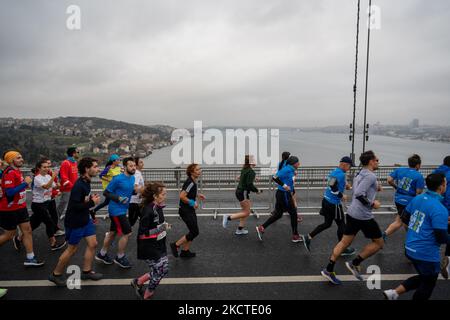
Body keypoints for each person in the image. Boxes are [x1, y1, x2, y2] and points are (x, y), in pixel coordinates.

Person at [321, 150, 384, 285]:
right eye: (377, 160)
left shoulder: (359, 173)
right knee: (379, 243)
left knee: (344, 242)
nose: (378, 162)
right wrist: (373, 203)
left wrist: (375, 188)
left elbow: (357, 189)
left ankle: (328, 269)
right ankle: (355, 263)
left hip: (352, 213)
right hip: (363, 216)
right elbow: (359, 194)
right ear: (371, 161)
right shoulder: (370, 176)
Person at [383, 173, 449, 300]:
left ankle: (394, 293)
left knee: (425, 277)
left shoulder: (417, 198)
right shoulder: (440, 208)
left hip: (409, 248)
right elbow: (441, 237)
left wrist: (430, 224)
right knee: (428, 283)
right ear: (441, 187)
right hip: (426, 254)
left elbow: (405, 218)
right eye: (445, 183)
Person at [48, 157, 102, 286]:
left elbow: (83, 202)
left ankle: (86, 271)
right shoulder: (79, 185)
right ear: (86, 169)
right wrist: (91, 203)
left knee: (93, 244)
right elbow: (75, 206)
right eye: (95, 167)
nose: (97, 169)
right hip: (75, 221)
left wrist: (91, 212)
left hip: (85, 219)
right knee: (72, 249)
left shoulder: (86, 182)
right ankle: (55, 275)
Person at [302, 156, 356, 256]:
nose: (350, 168)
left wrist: (346, 185)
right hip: (334, 204)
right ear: (344, 164)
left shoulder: (335, 171)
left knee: (327, 223)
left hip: (326, 200)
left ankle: (308, 237)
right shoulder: (340, 174)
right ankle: (342, 249)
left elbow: (333, 182)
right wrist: (341, 195)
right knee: (342, 225)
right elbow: (332, 186)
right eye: (349, 166)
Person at [0, 150, 44, 267]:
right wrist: (25, 184)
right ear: (11, 160)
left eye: (21, 157)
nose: (22, 159)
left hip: (20, 207)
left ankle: (30, 258)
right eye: (18, 158)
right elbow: (9, 192)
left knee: (27, 230)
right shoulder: (9, 172)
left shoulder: (17, 171)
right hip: (9, 209)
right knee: (9, 235)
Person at [95, 157, 136, 268]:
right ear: (125, 167)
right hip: (116, 210)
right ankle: (120, 257)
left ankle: (102, 254)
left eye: (134, 166)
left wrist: (138, 192)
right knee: (127, 233)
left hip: (123, 209)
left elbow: (129, 191)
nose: (133, 168)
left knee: (112, 233)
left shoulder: (132, 178)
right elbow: (106, 193)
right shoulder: (117, 179)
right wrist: (118, 198)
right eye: (131, 166)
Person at [131, 182, 170, 300]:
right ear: (155, 196)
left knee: (161, 269)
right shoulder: (148, 210)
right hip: (148, 247)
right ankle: (148, 294)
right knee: (162, 269)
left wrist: (163, 226)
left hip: (158, 244)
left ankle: (138, 282)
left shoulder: (158, 206)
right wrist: (161, 228)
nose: (165, 196)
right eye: (163, 194)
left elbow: (157, 224)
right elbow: (143, 234)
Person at [256, 156, 301, 243]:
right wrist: (285, 186)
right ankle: (295, 236)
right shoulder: (287, 169)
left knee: (278, 214)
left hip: (282, 194)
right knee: (294, 214)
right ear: (294, 163)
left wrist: (292, 183)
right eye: (298, 162)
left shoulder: (291, 169)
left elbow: (289, 179)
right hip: (284, 195)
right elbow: (275, 177)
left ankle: (261, 227)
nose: (299, 163)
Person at [383, 154, 424, 240]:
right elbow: (418, 193)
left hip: (398, 199)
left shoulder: (400, 170)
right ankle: (412, 240)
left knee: (401, 220)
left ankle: (385, 235)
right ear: (417, 165)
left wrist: (396, 187)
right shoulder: (419, 176)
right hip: (409, 202)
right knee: (405, 222)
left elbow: (389, 180)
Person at [170, 164, 206, 258]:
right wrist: (192, 203)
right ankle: (176, 245)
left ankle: (185, 252)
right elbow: (182, 196)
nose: (199, 171)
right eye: (197, 169)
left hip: (188, 210)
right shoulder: (191, 182)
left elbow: (189, 192)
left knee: (192, 231)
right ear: (192, 172)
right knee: (194, 232)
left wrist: (198, 195)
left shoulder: (193, 181)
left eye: (199, 169)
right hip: (185, 210)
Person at [29, 159, 66, 250]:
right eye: (44, 167)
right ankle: (53, 244)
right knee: (49, 223)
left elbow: (55, 186)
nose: (47, 169)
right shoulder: (37, 178)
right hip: (38, 205)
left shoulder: (48, 176)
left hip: (45, 204)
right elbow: (46, 186)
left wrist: (59, 183)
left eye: (48, 167)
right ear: (38, 168)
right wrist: (53, 177)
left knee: (34, 224)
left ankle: (19, 238)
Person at [222, 155, 262, 235]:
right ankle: (228, 217)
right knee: (247, 212)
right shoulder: (251, 172)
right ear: (251, 162)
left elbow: (242, 177)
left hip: (240, 191)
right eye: (254, 159)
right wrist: (257, 190)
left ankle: (240, 229)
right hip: (243, 193)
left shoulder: (245, 169)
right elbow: (249, 185)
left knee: (245, 211)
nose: (255, 160)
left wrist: (254, 178)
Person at [432, 156, 450, 279]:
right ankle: (447, 260)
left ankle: (432, 259)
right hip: (446, 210)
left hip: (434, 207)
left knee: (435, 235)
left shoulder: (435, 173)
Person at [57, 147, 79, 220]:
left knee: (73, 204)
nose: (78, 153)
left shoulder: (74, 162)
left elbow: (75, 176)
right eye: (77, 152)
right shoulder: (66, 163)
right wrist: (72, 186)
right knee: (62, 205)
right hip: (67, 189)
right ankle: (55, 220)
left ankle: (71, 217)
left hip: (73, 188)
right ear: (73, 153)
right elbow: (64, 177)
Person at [128, 157, 145, 227]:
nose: (143, 163)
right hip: (135, 202)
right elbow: (135, 189)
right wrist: (143, 191)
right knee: (130, 223)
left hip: (136, 201)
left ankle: (145, 234)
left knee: (145, 218)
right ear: (136, 165)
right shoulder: (137, 173)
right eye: (141, 162)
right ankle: (112, 232)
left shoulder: (136, 173)